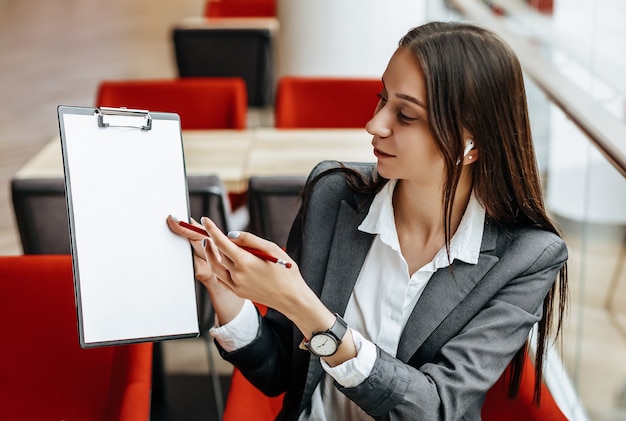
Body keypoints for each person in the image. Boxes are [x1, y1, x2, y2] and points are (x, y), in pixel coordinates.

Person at [167, 21, 568, 420]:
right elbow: (283, 374)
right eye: (382, 98)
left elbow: (436, 408)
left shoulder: (527, 256)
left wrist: (305, 309)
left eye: (406, 114)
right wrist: (226, 293)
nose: (374, 124)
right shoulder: (333, 194)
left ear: (471, 143)